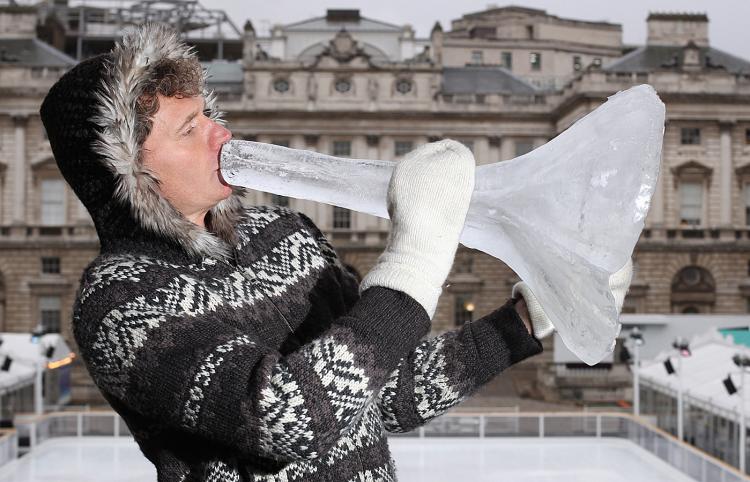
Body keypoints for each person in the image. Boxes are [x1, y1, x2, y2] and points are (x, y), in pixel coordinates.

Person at [40, 24, 630, 482]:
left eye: (210, 116)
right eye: (190, 129)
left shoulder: (286, 235)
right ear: (127, 171)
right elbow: (281, 415)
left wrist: (526, 320)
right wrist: (415, 256)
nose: (223, 134)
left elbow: (387, 391)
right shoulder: (119, 302)